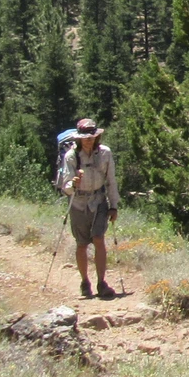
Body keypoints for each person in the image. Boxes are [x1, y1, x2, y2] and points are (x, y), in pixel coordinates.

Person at [57, 117, 120, 299]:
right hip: (78, 203)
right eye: (85, 137)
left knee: (99, 239)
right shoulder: (71, 157)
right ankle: (85, 282)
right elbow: (66, 186)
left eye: (91, 136)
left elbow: (111, 181)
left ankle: (101, 283)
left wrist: (114, 205)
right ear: (79, 138)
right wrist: (73, 183)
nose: (89, 140)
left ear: (96, 137)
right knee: (82, 244)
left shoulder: (105, 154)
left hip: (99, 200)